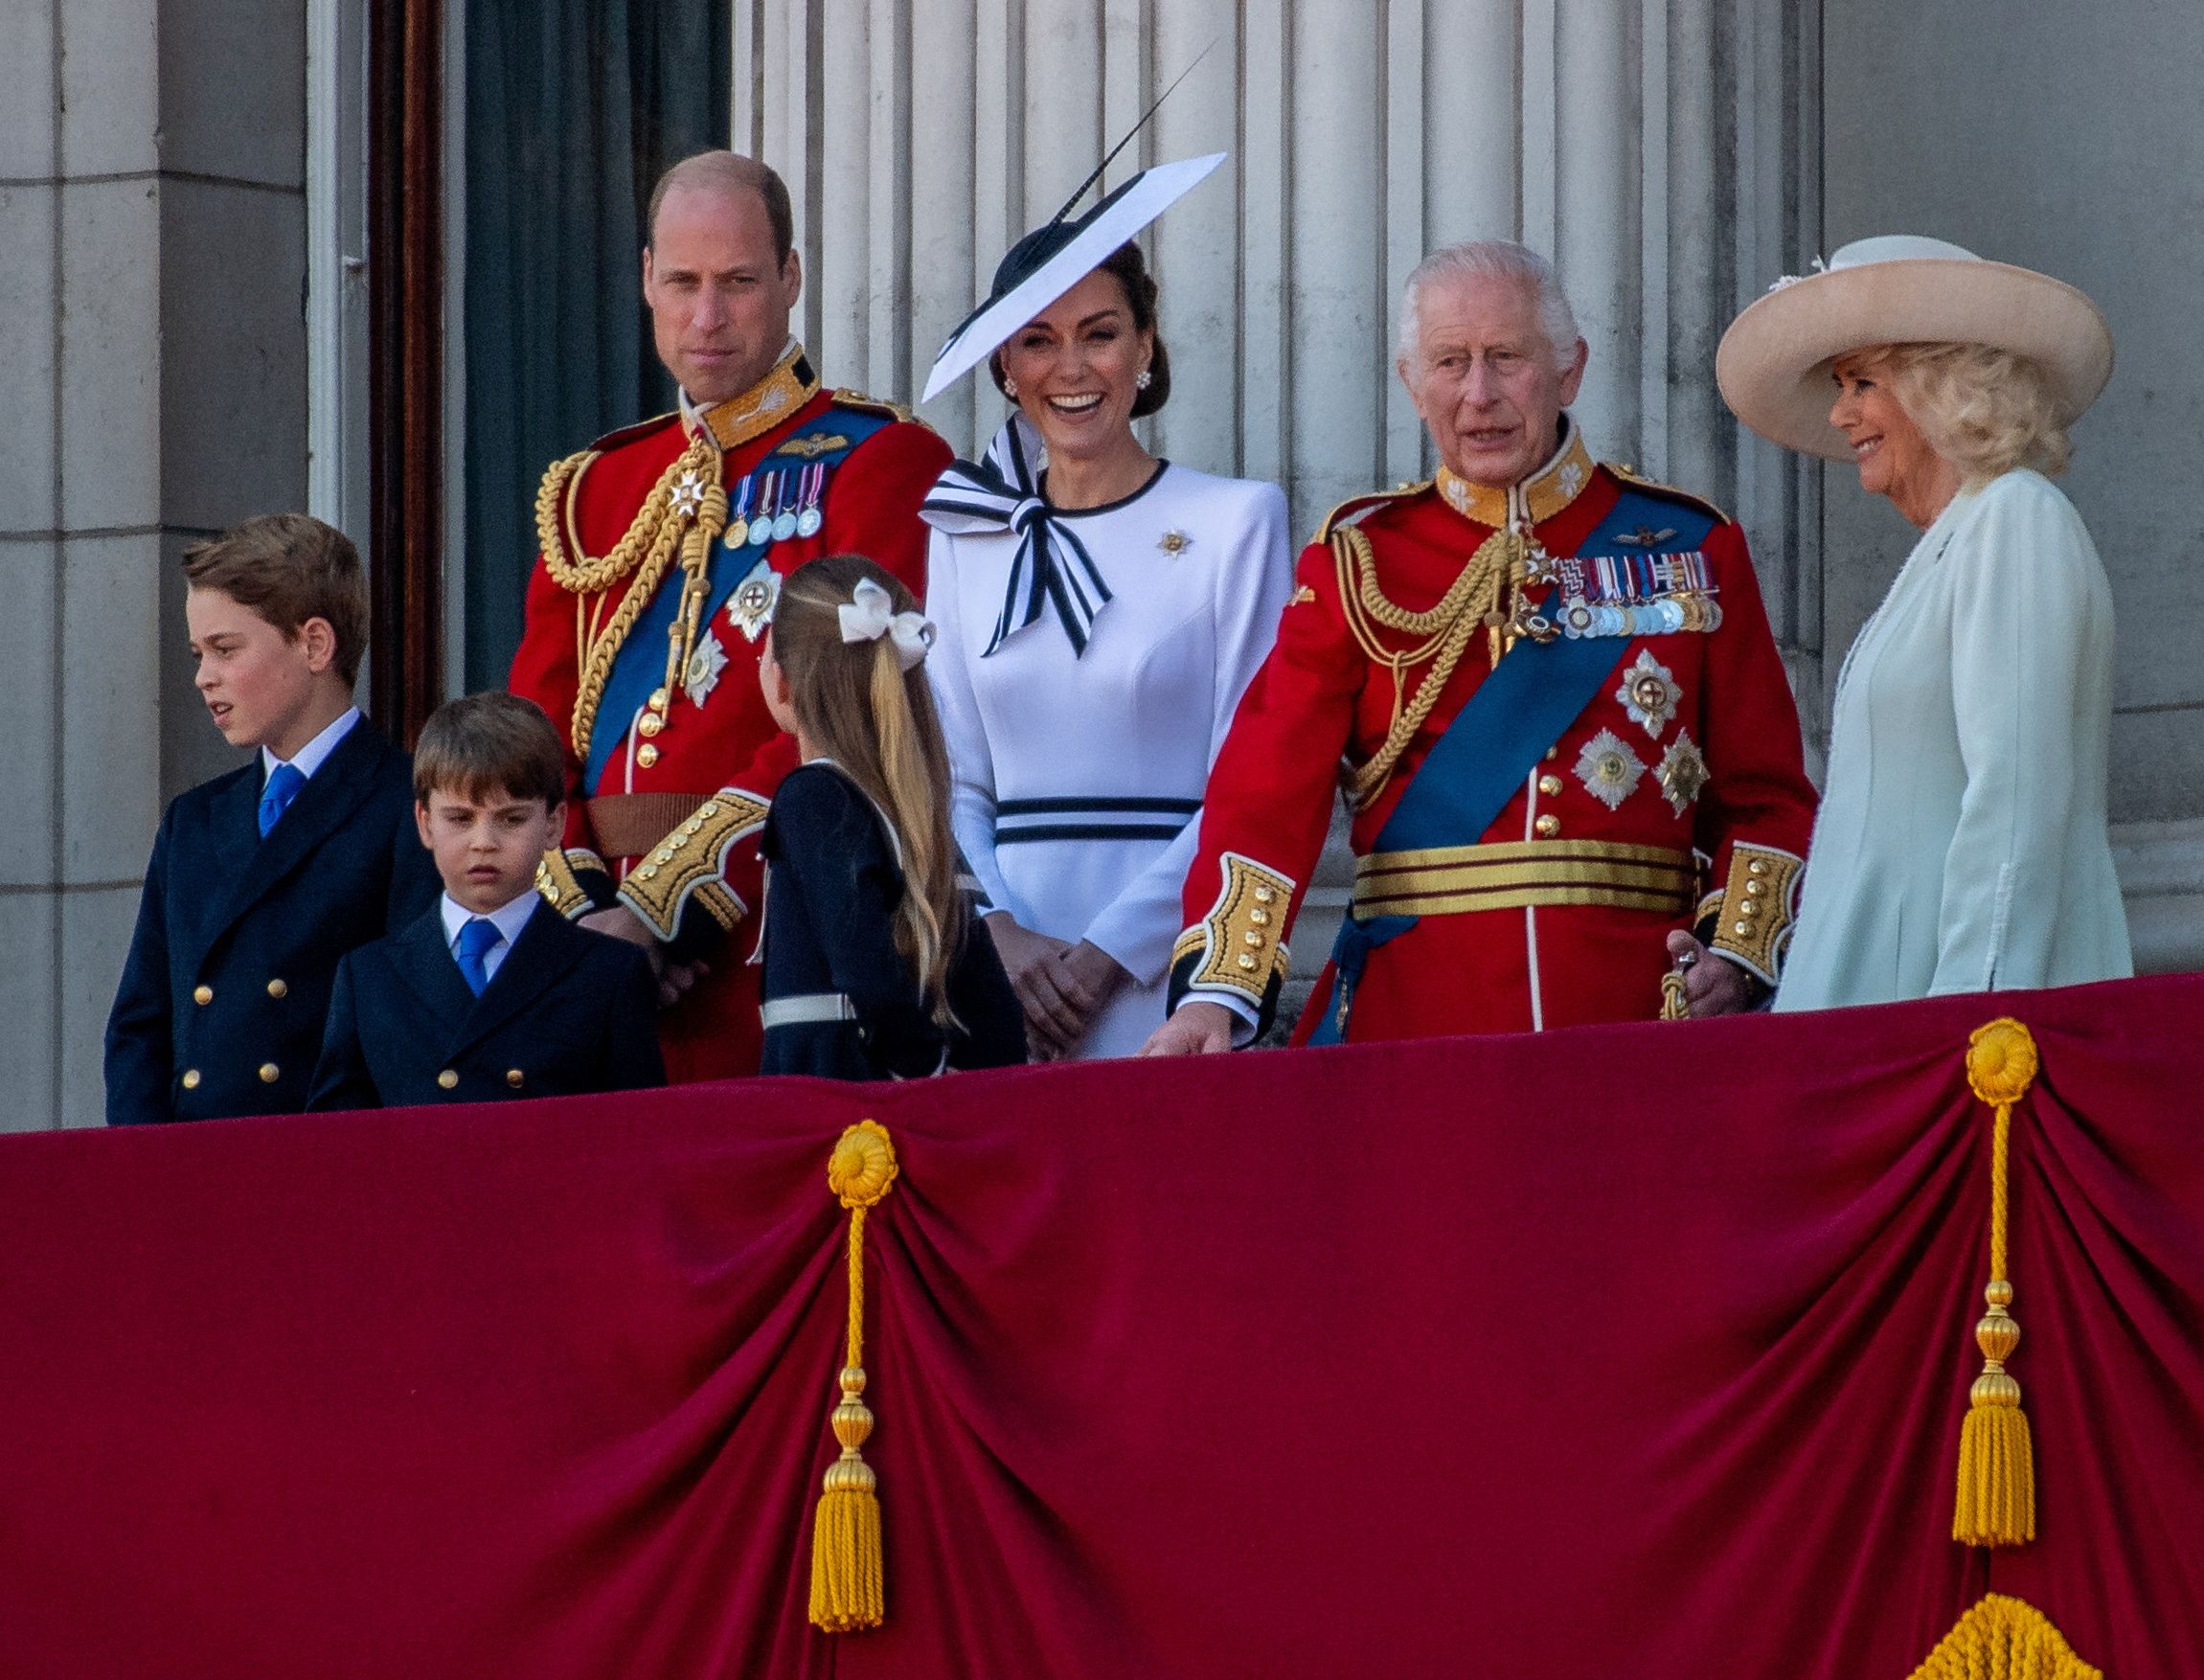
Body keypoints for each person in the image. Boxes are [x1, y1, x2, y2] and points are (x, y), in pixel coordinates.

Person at [1141, 239, 1820, 1055]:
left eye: (1506, 358)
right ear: (1410, 383)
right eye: (1449, 362)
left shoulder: (1687, 547)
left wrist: (1737, 958)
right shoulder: (1361, 559)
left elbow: (1765, 797)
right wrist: (1215, 994)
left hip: (1639, 1020)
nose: (1478, 394)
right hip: (1417, 1024)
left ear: (1569, 370)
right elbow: (1266, 790)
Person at [507, 149, 951, 1084]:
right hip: (589, 961)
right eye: (684, 282)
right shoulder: (595, 489)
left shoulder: (877, 459)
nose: (707, 316)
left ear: (791, 279)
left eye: (739, 282)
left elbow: (839, 724)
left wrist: (663, 910)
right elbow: (532, 732)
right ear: (645, 280)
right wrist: (586, 907)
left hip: (772, 944)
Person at [918, 151, 1293, 1058]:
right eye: (1038, 340)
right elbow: (949, 775)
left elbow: (1249, 777)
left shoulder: (1236, 521)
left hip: (1168, 979)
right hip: (1002, 976)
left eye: (1100, 333)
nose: (1071, 367)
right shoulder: (963, 532)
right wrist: (998, 934)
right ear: (1005, 365)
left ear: (1146, 344)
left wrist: (1105, 956)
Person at [1715, 235, 2132, 1009]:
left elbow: (2013, 809)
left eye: (1862, 382)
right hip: (1877, 1019)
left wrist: (1968, 1026)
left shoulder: (2014, 520)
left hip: (1948, 1037)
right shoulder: (1956, 540)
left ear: (1942, 387)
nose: (1840, 414)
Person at [104, 515, 440, 1124]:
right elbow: (141, 1025)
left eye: (226, 649)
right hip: (194, 1171)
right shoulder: (194, 821)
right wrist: (145, 1169)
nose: (204, 676)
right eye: (199, 653)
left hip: (320, 1168)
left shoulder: (407, 803)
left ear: (314, 644)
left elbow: (406, 1028)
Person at [307, 692, 664, 1109]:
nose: (484, 843)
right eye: (460, 818)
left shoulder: (608, 974)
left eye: (512, 819)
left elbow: (636, 1141)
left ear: (554, 824)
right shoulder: (368, 977)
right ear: (424, 823)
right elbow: (339, 1143)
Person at [753, 556, 1025, 1079]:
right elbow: (996, 1020)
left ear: (782, 682)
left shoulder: (814, 797)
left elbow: (867, 972)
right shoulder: (915, 807)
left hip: (845, 1120)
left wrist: (919, 1074)